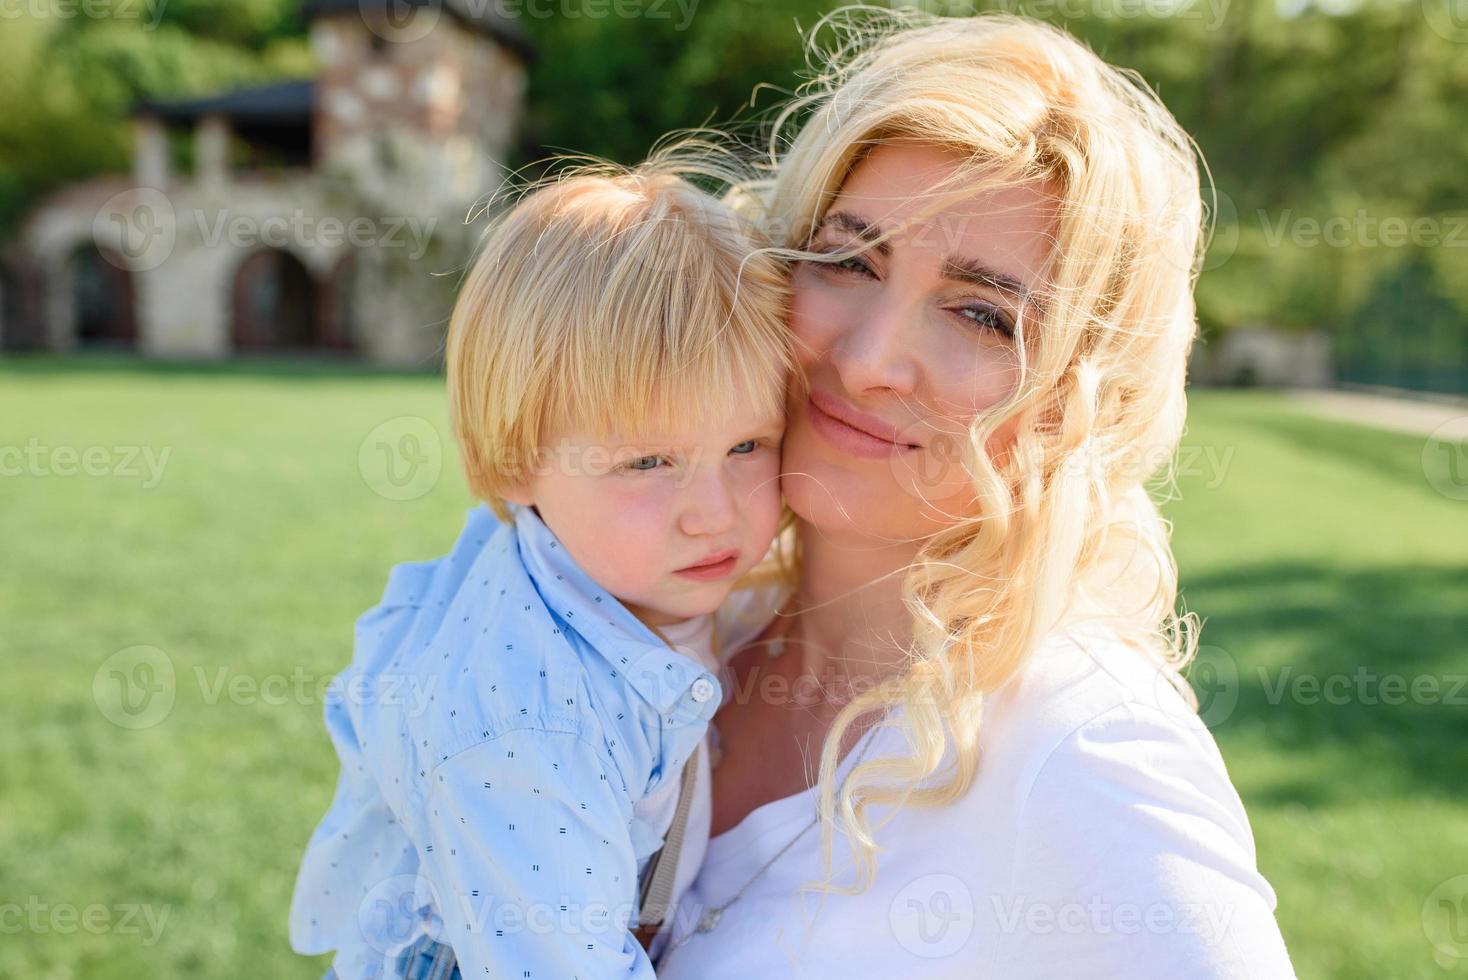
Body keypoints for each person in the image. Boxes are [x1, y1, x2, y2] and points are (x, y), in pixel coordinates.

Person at [650, 9, 1299, 977]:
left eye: (981, 314)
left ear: (1080, 395)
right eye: (848, 257)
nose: (869, 359)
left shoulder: (1089, 755)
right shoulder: (688, 625)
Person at [287, 163, 799, 979]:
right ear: (514, 462)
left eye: (746, 446)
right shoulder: (527, 726)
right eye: (647, 461)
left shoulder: (621, 562)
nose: (716, 511)